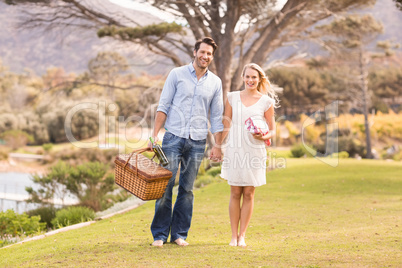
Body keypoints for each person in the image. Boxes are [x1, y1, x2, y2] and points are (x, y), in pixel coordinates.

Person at [148, 37, 224, 247]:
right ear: (195, 52)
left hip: (198, 141)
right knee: (165, 187)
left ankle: (179, 234)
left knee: (187, 190)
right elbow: (163, 106)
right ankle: (160, 235)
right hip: (172, 137)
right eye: (202, 52)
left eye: (209, 54)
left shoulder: (215, 83)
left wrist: (218, 144)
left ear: (211, 57)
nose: (205, 56)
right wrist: (155, 134)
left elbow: (217, 117)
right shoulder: (177, 74)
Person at [220, 63, 278, 247]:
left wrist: (264, 136)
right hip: (234, 148)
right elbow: (226, 124)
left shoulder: (266, 102)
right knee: (235, 191)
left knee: (249, 193)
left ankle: (242, 235)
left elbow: (272, 130)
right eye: (248, 77)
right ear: (243, 77)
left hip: (254, 149)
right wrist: (218, 146)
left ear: (260, 79)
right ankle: (233, 236)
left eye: (254, 77)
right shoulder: (232, 97)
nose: (250, 80)